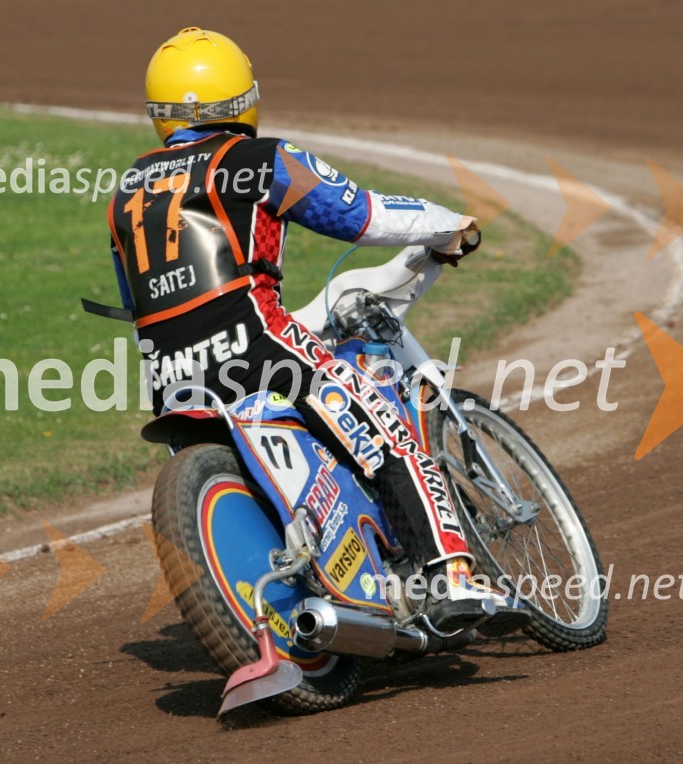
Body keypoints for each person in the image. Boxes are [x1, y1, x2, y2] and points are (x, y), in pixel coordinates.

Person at [107, 27, 527, 634]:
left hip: (172, 380)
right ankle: (449, 574)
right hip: (260, 348)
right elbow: (363, 216)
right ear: (242, 99)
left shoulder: (124, 193)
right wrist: (445, 226)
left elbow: (136, 302)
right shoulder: (258, 159)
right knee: (389, 435)